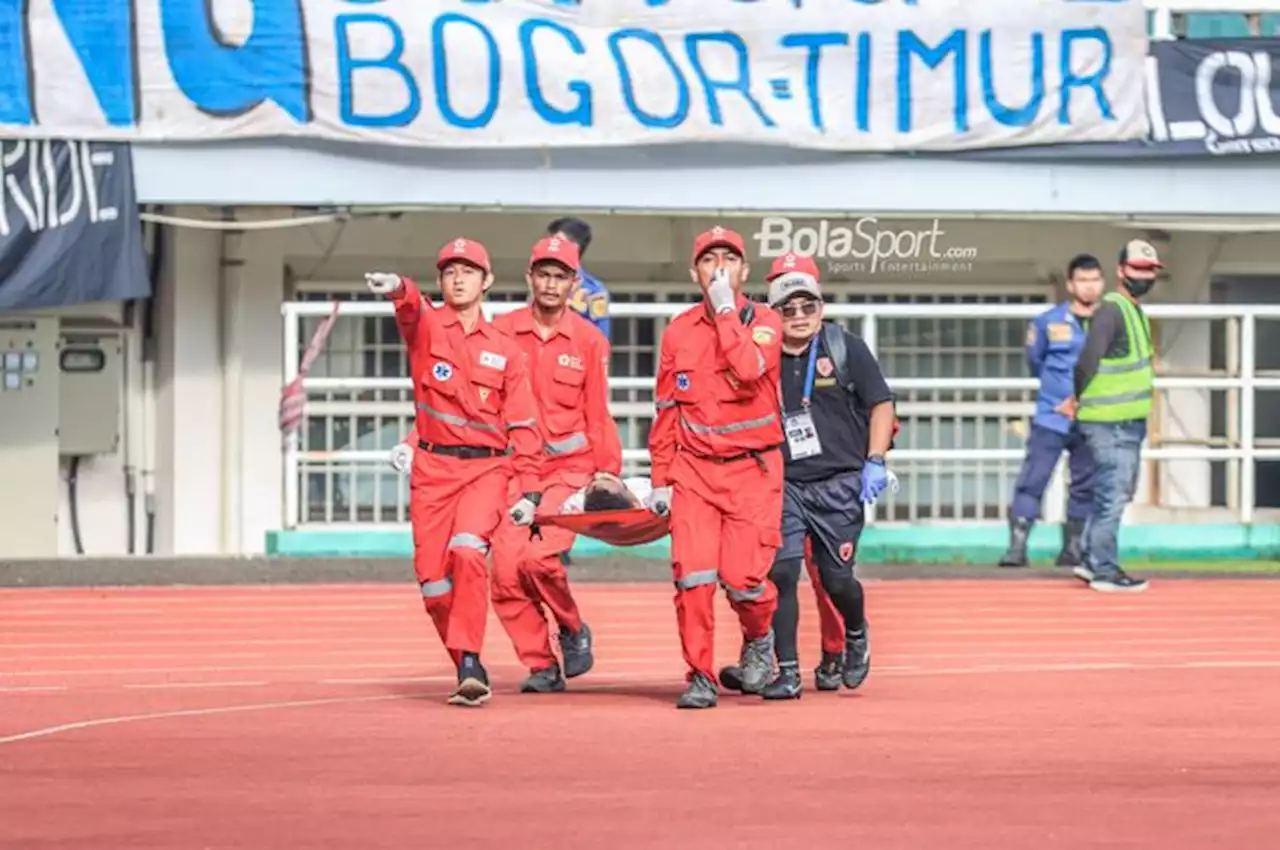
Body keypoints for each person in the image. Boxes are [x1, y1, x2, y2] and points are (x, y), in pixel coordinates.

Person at [365, 238, 543, 707]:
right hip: (432, 470)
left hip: (487, 470)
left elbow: (524, 423)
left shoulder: (506, 348)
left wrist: (529, 491)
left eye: (468, 271)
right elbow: (410, 309)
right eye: (449, 271)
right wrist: (398, 288)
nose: (458, 278)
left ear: (486, 282)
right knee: (433, 582)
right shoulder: (426, 328)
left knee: (467, 552)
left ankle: (467, 663)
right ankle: (467, 656)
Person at [719, 257, 896, 700]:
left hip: (838, 483)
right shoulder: (761, 351)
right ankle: (789, 669)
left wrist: (874, 459)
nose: (799, 316)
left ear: (821, 305)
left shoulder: (844, 346)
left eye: (807, 306)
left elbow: (881, 403)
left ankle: (855, 633)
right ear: (772, 311)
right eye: (788, 308)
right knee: (782, 571)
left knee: (837, 580)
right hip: (782, 482)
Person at [646, 225, 785, 709]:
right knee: (693, 578)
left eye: (729, 260)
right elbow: (667, 408)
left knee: (745, 579)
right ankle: (700, 675)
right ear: (694, 272)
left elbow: (748, 368)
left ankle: (759, 638)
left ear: (744, 272)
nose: (719, 268)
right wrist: (660, 478)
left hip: (752, 472)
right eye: (709, 261)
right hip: (694, 474)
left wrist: (726, 308)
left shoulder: (765, 320)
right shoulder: (678, 330)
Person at [488, 235, 623, 693]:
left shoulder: (588, 339)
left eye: (560, 276)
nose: (550, 284)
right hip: (514, 471)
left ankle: (571, 628)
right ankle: (541, 664)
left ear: (573, 283)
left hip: (570, 469)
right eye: (542, 274)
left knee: (540, 559)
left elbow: (598, 410)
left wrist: (608, 471)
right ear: (529, 278)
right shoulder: (500, 331)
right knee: (504, 571)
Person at [1064, 239, 1162, 593]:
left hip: (1122, 421)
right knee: (1112, 493)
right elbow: (1087, 361)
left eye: (1149, 270)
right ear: (1121, 271)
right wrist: (1076, 398)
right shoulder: (1113, 310)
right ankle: (1104, 569)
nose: (1143, 276)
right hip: (1111, 423)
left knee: (1113, 490)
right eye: (1137, 268)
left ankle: (1092, 560)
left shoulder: (1130, 311)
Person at [998, 254, 1104, 569]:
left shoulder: (1109, 322)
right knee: (1034, 478)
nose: (1089, 287)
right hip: (1052, 415)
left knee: (1085, 484)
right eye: (1083, 280)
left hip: (1093, 417)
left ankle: (1072, 548)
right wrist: (1059, 394)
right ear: (1071, 284)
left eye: (1095, 280)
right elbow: (1036, 361)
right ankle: (1017, 548)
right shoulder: (1048, 321)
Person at [548, 217, 611, 341]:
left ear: (575, 247)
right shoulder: (542, 281)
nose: (550, 247)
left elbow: (602, 336)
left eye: (556, 242)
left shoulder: (595, 291)